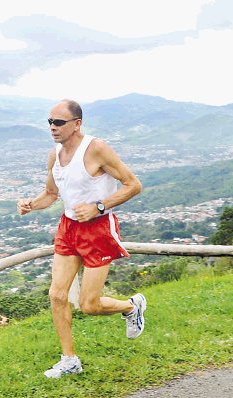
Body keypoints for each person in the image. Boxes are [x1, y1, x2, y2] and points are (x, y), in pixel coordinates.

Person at [17, 99, 145, 379]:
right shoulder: (55, 154)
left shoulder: (96, 149)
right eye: (49, 122)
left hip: (98, 228)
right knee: (57, 295)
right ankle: (69, 360)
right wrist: (31, 204)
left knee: (89, 304)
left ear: (77, 124)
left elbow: (133, 185)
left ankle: (131, 306)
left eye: (59, 122)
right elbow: (51, 194)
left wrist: (98, 206)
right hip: (69, 227)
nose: (52, 127)